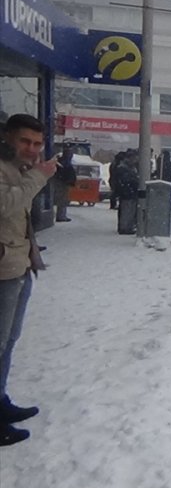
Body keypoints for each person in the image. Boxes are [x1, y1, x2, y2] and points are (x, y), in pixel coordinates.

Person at [0, 114, 58, 447]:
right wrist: (38, 176)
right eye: (25, 141)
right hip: (3, 270)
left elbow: (20, 221)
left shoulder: (18, 171)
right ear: (9, 137)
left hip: (17, 266)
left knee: (8, 342)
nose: (32, 149)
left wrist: (32, 255)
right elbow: (6, 207)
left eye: (37, 144)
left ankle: (1, 401)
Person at [115, 150, 141, 234]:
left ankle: (127, 227)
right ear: (130, 158)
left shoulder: (130, 167)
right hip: (127, 192)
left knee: (130, 210)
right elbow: (125, 180)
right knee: (127, 210)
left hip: (129, 191)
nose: (136, 160)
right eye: (134, 158)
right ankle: (125, 228)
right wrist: (135, 181)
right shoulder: (123, 168)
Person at [52, 146, 77, 222]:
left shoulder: (63, 161)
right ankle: (61, 216)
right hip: (63, 183)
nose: (71, 155)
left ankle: (61, 215)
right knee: (62, 200)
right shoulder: (65, 162)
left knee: (62, 199)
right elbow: (65, 172)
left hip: (63, 182)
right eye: (70, 153)